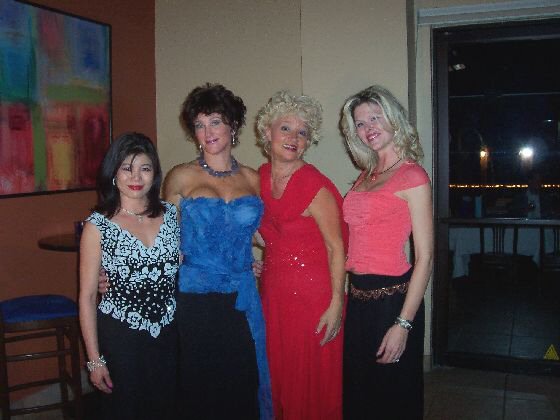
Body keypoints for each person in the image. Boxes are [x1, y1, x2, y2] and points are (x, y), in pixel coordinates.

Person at [162, 83, 272, 419]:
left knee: (242, 379)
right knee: (200, 384)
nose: (207, 132)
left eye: (215, 121)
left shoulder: (254, 179)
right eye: (199, 124)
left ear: (233, 125)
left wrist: (262, 262)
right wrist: (116, 272)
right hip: (195, 296)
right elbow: (160, 238)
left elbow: (265, 235)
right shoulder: (181, 177)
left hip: (241, 295)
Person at [340, 85, 433, 419]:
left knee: (392, 397)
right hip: (358, 299)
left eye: (375, 118)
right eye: (360, 123)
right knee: (359, 393)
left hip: (393, 301)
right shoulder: (365, 176)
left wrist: (403, 324)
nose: (368, 127)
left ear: (394, 119)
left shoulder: (412, 175)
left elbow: (425, 257)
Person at [256, 91, 348, 419]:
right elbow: (262, 232)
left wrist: (336, 304)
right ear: (267, 132)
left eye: (303, 132)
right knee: (277, 374)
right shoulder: (259, 179)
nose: (294, 138)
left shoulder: (314, 185)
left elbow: (337, 246)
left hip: (314, 299)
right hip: (274, 296)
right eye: (286, 128)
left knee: (308, 382)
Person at [79, 132, 180, 420]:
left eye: (144, 168)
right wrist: (94, 360)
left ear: (155, 174)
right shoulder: (98, 226)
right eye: (127, 168)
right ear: (114, 173)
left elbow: (192, 261)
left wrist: (246, 264)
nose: (136, 177)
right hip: (121, 337)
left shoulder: (171, 215)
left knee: (168, 408)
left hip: (170, 334)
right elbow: (87, 296)